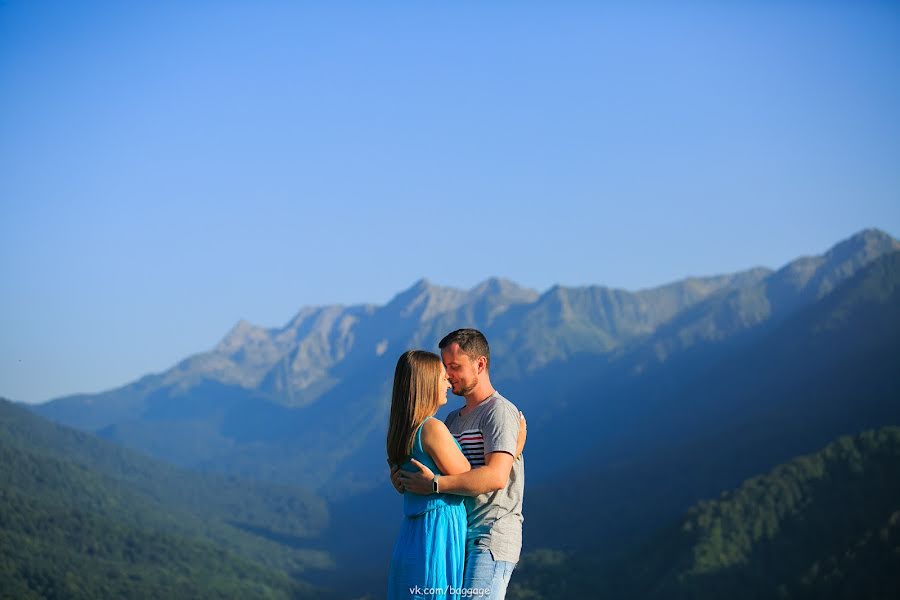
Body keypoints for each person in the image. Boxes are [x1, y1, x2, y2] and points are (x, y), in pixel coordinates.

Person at [394, 329, 525, 600]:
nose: (448, 374)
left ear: (480, 364)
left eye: (455, 367)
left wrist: (434, 485)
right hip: (460, 535)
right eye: (445, 367)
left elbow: (496, 477)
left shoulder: (498, 412)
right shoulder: (451, 420)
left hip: (490, 535)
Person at [386, 350, 470, 600]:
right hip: (437, 533)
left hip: (411, 534)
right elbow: (470, 479)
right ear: (426, 383)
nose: (448, 383)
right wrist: (514, 450)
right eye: (442, 377)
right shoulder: (432, 428)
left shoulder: (401, 432)